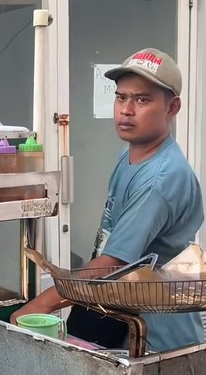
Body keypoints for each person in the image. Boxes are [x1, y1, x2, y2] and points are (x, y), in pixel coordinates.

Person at [11, 47, 205, 352]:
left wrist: (41, 305)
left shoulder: (161, 180)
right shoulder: (129, 157)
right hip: (117, 316)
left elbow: (111, 267)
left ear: (172, 108)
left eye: (142, 99)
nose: (126, 109)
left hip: (153, 340)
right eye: (121, 97)